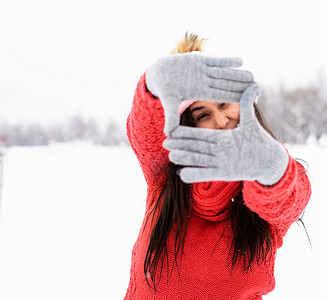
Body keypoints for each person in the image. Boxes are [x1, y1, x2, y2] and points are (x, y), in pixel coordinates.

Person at [123, 33, 311, 299]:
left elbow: (289, 197)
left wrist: (273, 169)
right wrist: (154, 83)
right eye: (203, 115)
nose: (221, 121)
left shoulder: (276, 179)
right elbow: (145, 132)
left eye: (224, 104)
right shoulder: (165, 176)